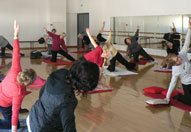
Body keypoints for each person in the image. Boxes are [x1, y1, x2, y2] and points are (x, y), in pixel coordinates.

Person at [26, 60, 100, 132]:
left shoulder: (61, 73)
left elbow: (41, 92)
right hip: (40, 128)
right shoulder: (68, 100)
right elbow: (69, 128)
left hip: (32, 115)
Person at [0, 21, 36, 132]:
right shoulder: (19, 92)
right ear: (28, 83)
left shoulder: (16, 70)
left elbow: (16, 52)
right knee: (12, 122)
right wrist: (14, 130)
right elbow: (15, 113)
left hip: (2, 93)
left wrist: (15, 35)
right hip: (3, 103)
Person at [164, 20, 191, 106]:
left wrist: (189, 29)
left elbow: (186, 42)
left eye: (178, 58)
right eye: (177, 61)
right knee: (189, 102)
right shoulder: (175, 70)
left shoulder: (182, 54)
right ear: (174, 64)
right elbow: (173, 83)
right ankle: (178, 96)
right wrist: (167, 96)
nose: (179, 60)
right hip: (186, 84)